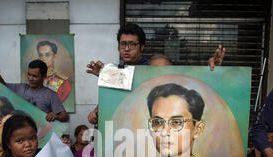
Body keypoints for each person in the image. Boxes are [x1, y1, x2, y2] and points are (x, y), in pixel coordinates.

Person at [86, 23, 226, 125]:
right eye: (123, 44)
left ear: (142, 46)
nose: (127, 49)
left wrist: (211, 71)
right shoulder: (116, 72)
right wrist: (96, 112)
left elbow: (184, 85)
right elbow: (112, 101)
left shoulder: (155, 68)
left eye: (132, 44)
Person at [0, 59, 69, 123]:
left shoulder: (51, 95)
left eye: (34, 76)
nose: (30, 78)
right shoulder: (20, 88)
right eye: (29, 74)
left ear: (44, 76)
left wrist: (56, 116)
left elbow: (65, 117)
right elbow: (3, 86)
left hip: (39, 137)